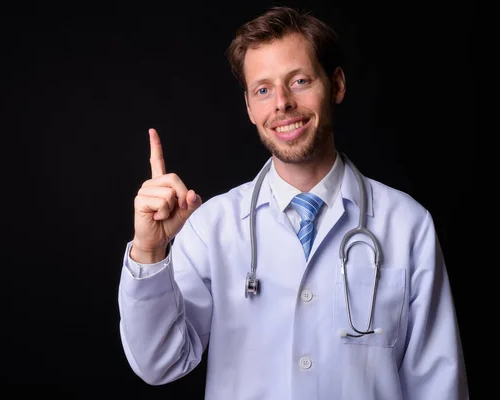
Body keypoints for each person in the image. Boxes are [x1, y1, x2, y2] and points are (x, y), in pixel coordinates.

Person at [117, 5, 469, 399]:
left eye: (299, 80)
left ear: (336, 85)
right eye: (263, 89)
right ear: (250, 107)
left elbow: (437, 385)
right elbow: (159, 362)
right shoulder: (211, 226)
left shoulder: (407, 224)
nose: (281, 103)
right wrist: (149, 250)